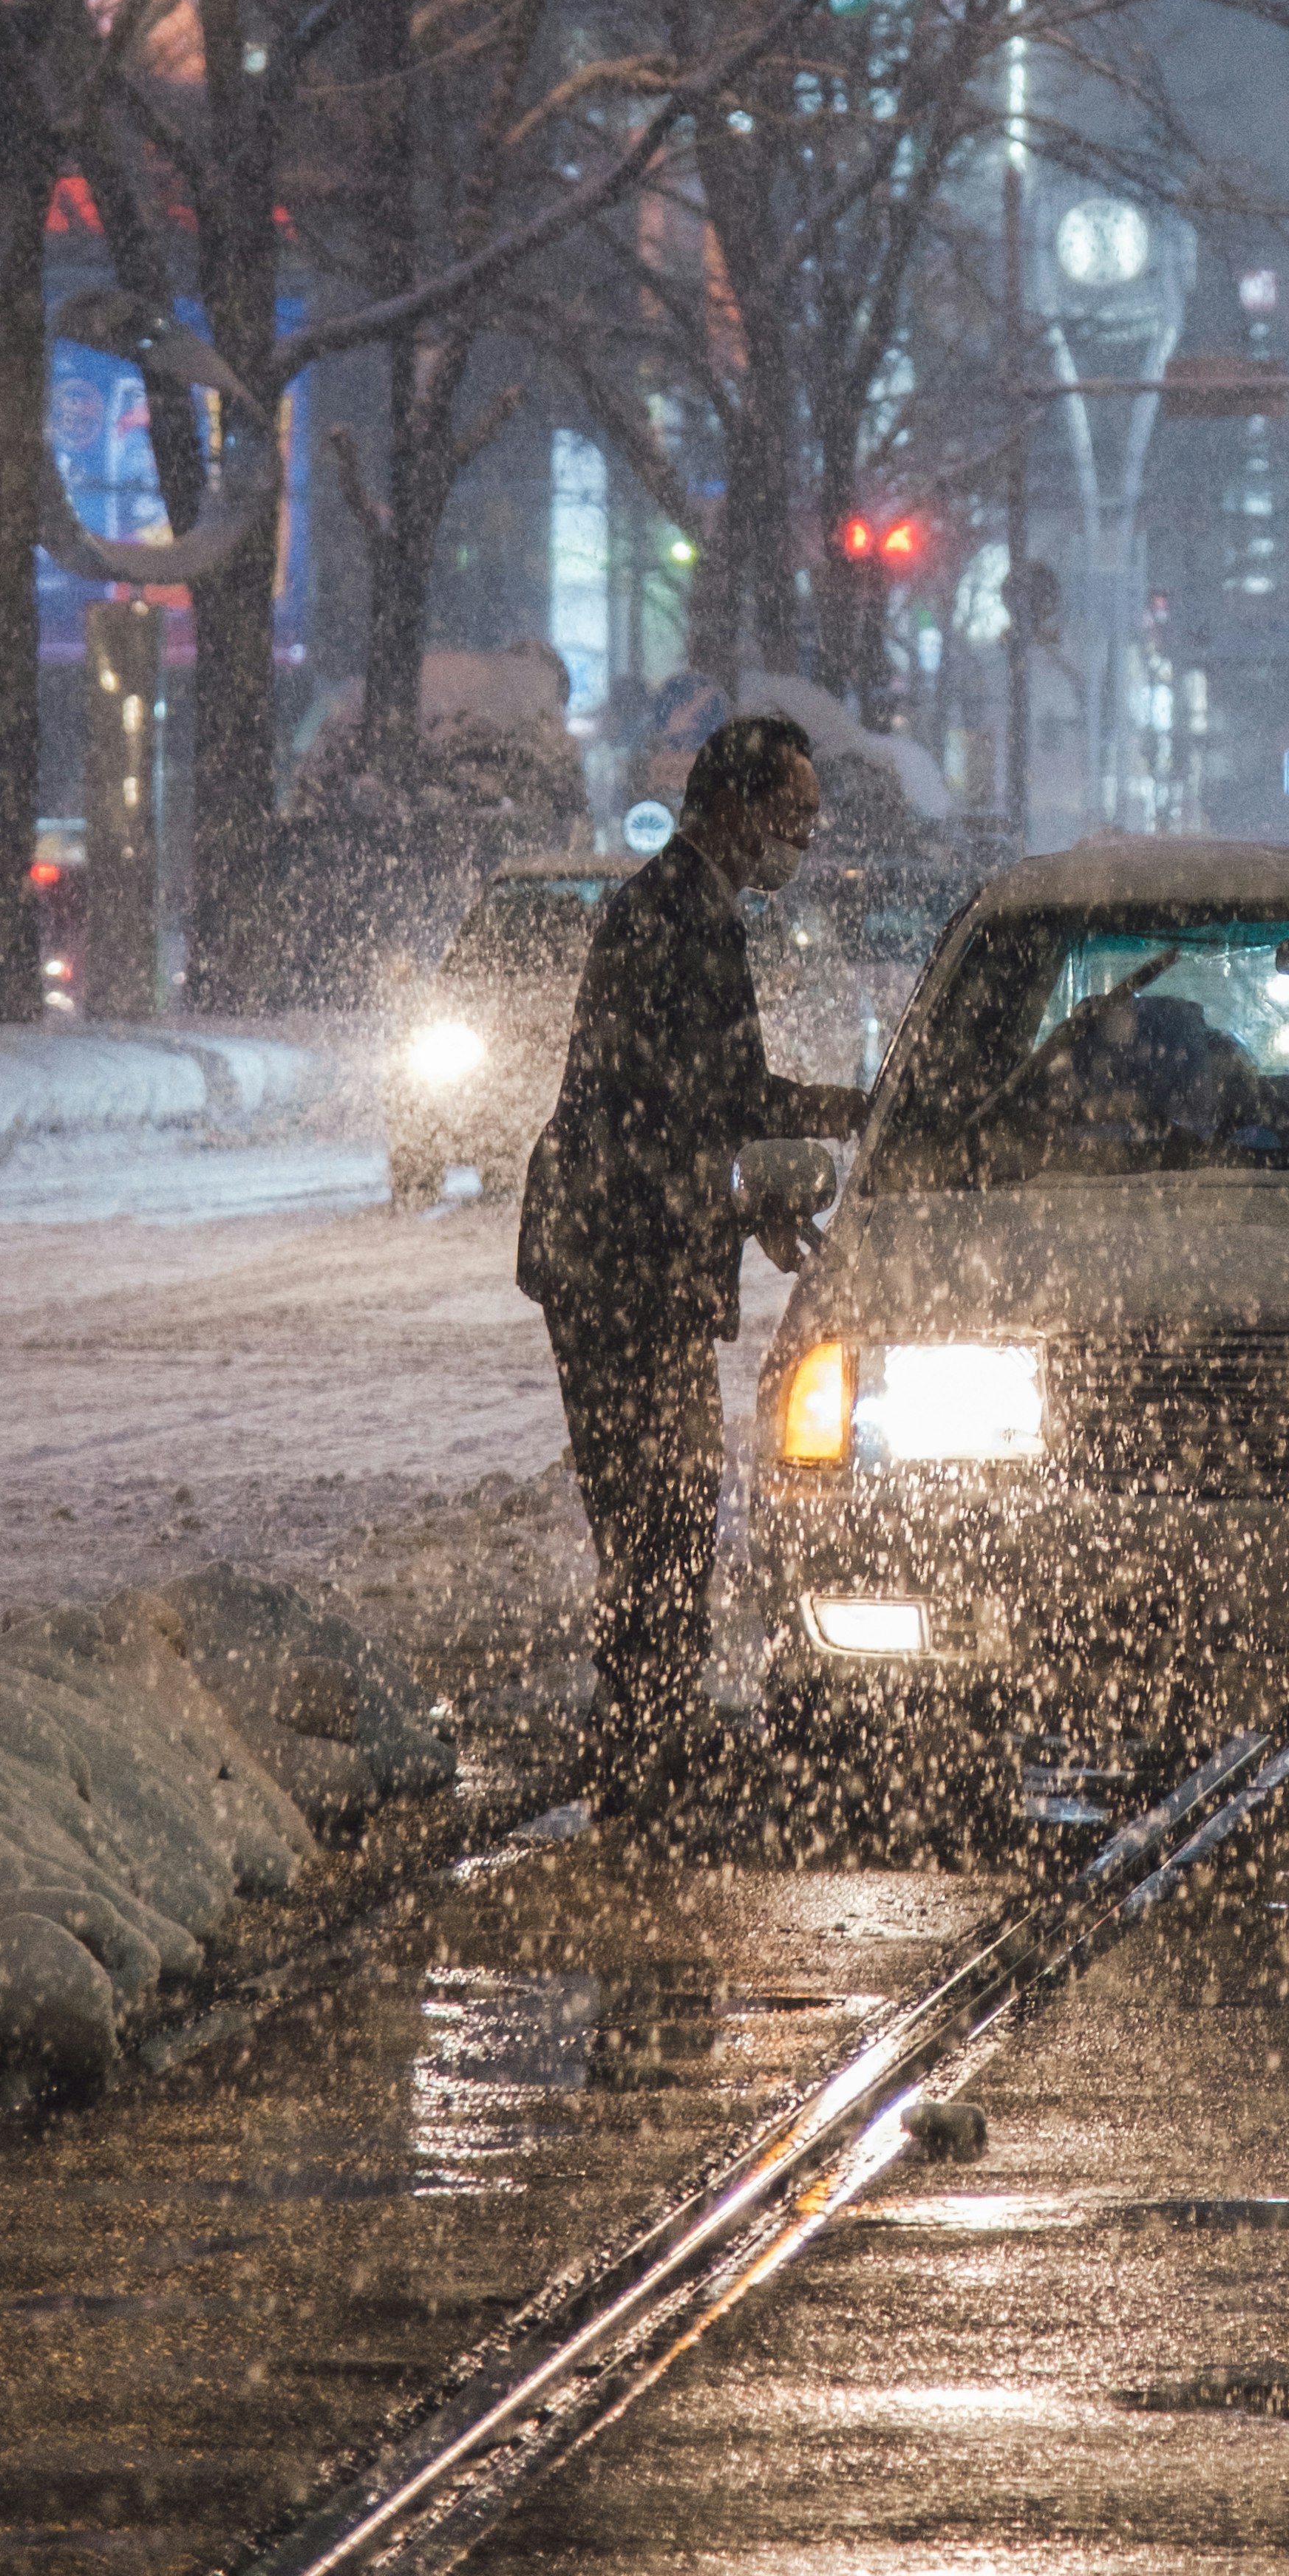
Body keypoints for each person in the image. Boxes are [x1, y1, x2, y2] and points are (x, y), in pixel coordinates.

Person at [519, 712, 863, 1808]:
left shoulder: (688, 909)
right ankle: (642, 1739)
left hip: (622, 1250)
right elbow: (684, 1106)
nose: (800, 843)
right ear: (735, 806)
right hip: (618, 1257)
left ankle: (650, 1722)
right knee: (655, 1505)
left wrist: (775, 1162)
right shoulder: (676, 919)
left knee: (660, 1505)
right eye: (793, 818)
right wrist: (802, 1143)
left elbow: (710, 1102)